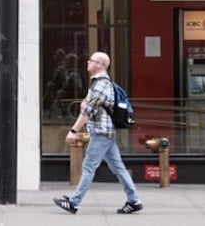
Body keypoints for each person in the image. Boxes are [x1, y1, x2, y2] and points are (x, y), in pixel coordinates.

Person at [53, 51, 143, 216]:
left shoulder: (101, 84)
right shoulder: (97, 83)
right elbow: (89, 105)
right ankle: (134, 201)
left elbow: (88, 111)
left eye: (92, 60)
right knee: (118, 167)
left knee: (88, 167)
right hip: (105, 132)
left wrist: (73, 131)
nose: (88, 62)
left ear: (100, 65)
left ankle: (73, 203)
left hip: (101, 133)